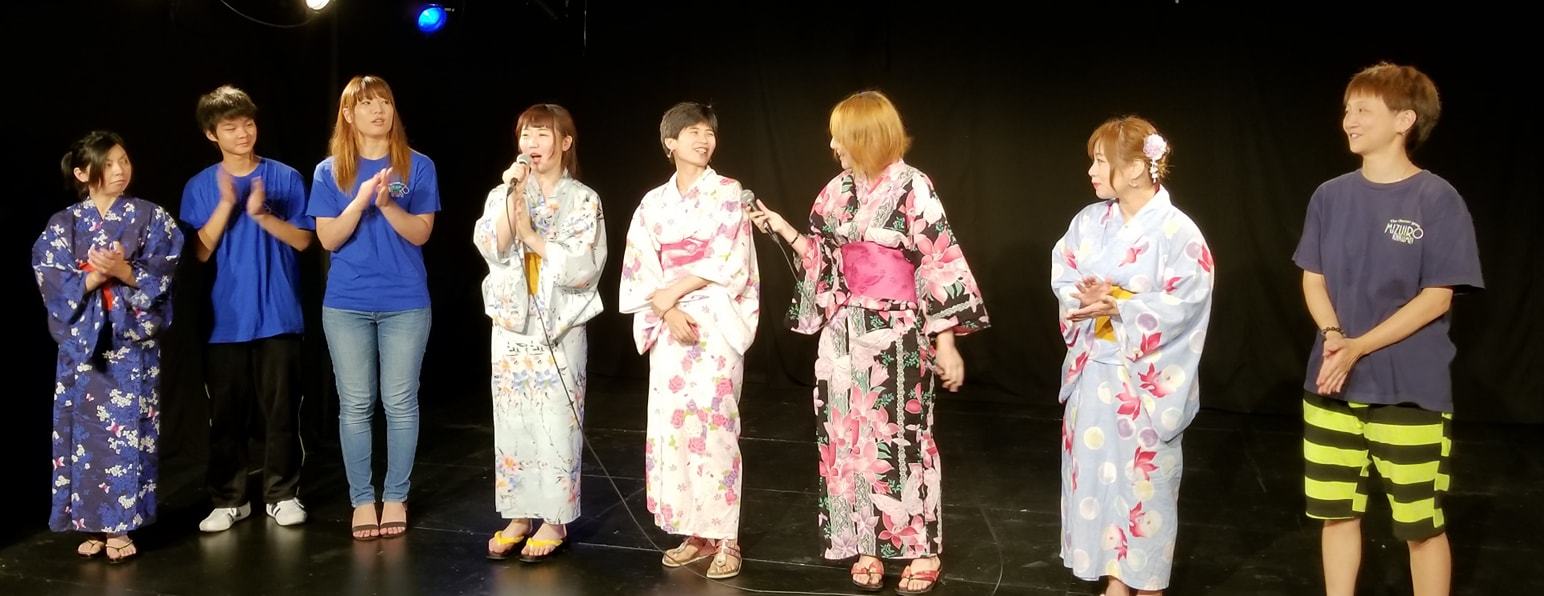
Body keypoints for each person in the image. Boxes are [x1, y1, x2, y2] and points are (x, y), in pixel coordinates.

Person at [746, 90, 988, 595]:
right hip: (842, 333)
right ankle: (867, 543)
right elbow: (824, 261)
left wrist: (945, 342)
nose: (833, 145)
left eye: (840, 136)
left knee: (901, 437)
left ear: (865, 137)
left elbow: (938, 261)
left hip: (896, 331)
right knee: (846, 438)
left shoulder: (913, 187)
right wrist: (785, 229)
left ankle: (920, 548)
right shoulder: (835, 191)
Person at [1294, 62, 1481, 596]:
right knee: (1335, 513)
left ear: (1404, 120)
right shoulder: (1329, 196)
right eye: (1347, 110)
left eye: (1363, 110)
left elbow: (1437, 295)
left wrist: (1361, 346)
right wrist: (1335, 337)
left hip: (1408, 389)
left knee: (1419, 523)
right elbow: (1313, 277)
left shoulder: (1436, 199)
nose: (1349, 120)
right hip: (1331, 381)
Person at [1050, 116, 1214, 596]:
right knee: (1096, 481)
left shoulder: (1179, 232)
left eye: (1101, 161)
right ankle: (1114, 578)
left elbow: (1188, 301)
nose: (1091, 171)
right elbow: (1065, 274)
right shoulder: (1088, 222)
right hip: (1094, 371)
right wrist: (1085, 297)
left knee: (1145, 484)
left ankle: (1147, 582)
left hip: (1143, 380)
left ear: (1138, 167)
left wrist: (1120, 305)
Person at [618, 101, 759, 579]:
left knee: (716, 428)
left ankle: (727, 537)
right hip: (669, 325)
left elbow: (729, 259)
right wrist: (666, 309)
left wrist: (673, 294)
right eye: (693, 132)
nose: (703, 140)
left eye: (708, 133)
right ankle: (695, 532)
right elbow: (640, 262)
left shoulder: (728, 192)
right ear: (670, 143)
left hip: (714, 319)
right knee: (674, 430)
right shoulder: (653, 203)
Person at [34, 130, 184, 562]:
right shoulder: (63, 224)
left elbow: (164, 271)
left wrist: (124, 271)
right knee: (80, 433)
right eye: (109, 163)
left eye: (124, 160)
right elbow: (50, 276)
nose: (120, 170)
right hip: (82, 347)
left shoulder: (151, 217)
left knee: (128, 433)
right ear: (83, 173)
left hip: (129, 344)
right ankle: (90, 523)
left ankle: (121, 525)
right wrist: (93, 278)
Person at [309, 75, 440, 540]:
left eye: (384, 101)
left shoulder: (417, 165)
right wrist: (362, 200)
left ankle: (396, 495)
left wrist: (386, 205)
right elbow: (328, 238)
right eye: (366, 103)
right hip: (347, 303)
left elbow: (421, 232)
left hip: (405, 301)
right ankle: (362, 500)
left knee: (400, 402)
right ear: (348, 114)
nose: (378, 110)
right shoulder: (329, 171)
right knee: (356, 404)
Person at [475, 103, 606, 563]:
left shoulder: (584, 199)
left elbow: (584, 265)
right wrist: (511, 200)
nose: (532, 145)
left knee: (555, 421)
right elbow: (491, 246)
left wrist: (533, 237)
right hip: (513, 323)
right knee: (512, 420)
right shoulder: (505, 191)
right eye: (526, 136)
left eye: (543, 135)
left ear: (565, 143)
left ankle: (554, 518)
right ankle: (518, 514)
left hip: (559, 324)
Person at [181, 85, 314, 533]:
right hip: (225, 319)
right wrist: (226, 204)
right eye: (231, 127)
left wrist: (261, 215)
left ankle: (282, 494)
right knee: (226, 415)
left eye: (248, 123)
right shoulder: (200, 185)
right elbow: (199, 253)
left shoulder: (286, 177)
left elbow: (304, 240)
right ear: (211, 134)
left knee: (282, 411)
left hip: (278, 313)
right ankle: (229, 499)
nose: (243, 133)